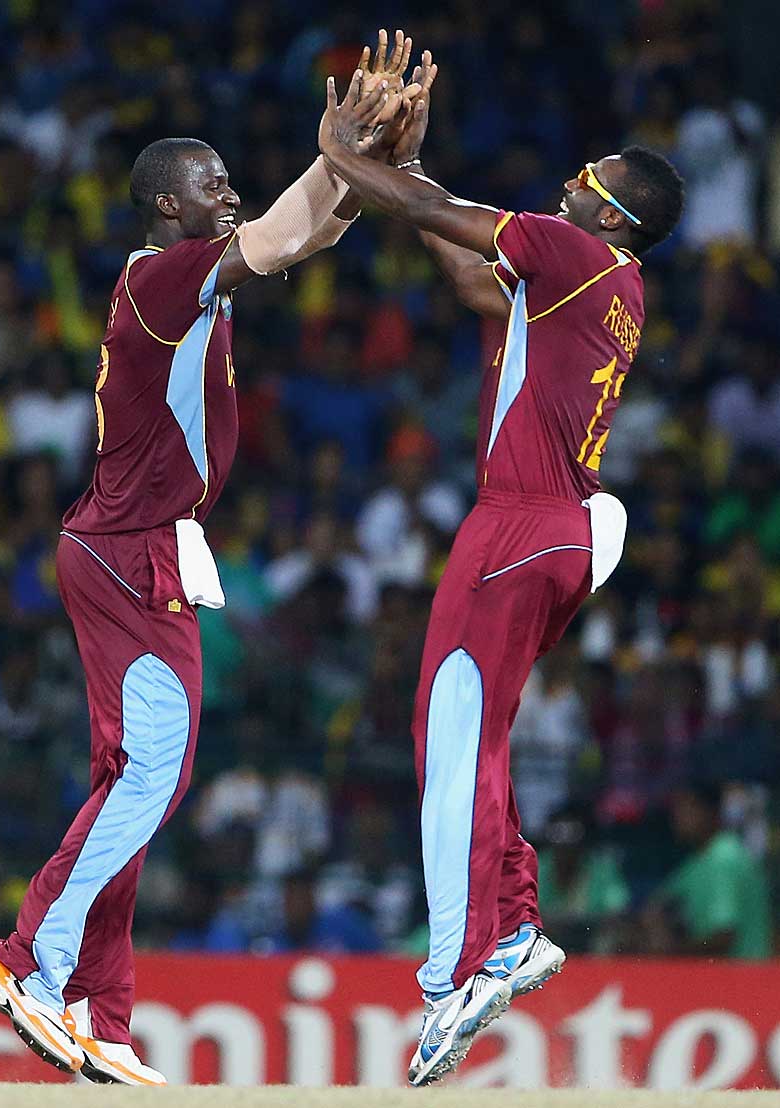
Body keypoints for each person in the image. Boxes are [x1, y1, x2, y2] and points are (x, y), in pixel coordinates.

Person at [0, 54, 404, 1086]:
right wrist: (338, 151)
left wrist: (366, 164)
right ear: (169, 203)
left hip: (129, 542)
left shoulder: (189, 281)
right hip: (133, 548)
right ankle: (28, 961)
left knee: (129, 782)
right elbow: (284, 233)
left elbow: (313, 231)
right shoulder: (163, 275)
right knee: (155, 775)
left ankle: (100, 1012)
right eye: (214, 184)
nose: (230, 194)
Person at [318, 50, 685, 1085]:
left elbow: (429, 212)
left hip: (519, 524)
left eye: (589, 176)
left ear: (612, 214)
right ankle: (512, 926)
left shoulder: (574, 250)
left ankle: (458, 968)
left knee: (449, 736)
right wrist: (408, 163)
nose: (571, 178)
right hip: (553, 528)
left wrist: (341, 152)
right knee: (472, 738)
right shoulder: (606, 284)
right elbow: (474, 280)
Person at [641, 782, 771, 960]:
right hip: (718, 973)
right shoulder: (699, 859)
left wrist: (668, 954)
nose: (677, 817)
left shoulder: (724, 858)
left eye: (687, 808)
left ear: (711, 811)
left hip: (743, 973)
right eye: (676, 809)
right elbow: (656, 905)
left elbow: (723, 938)